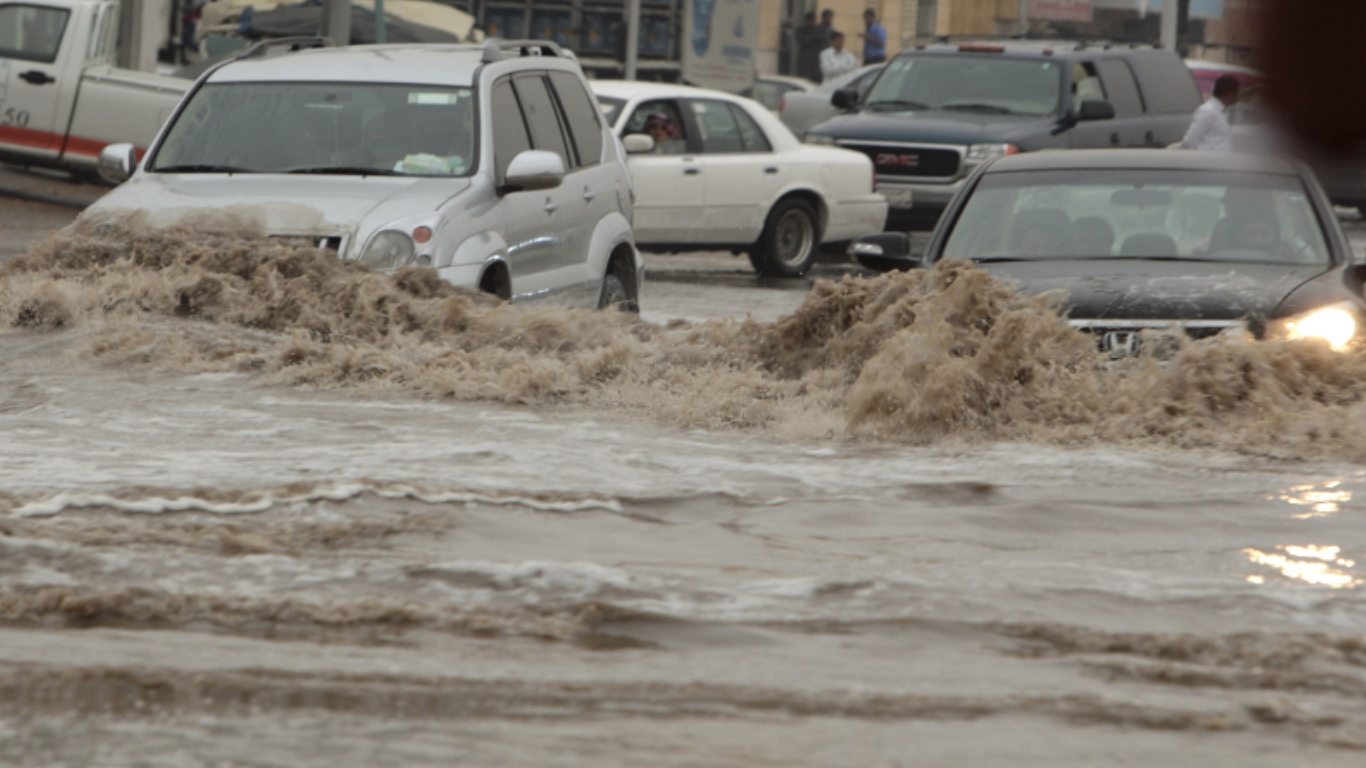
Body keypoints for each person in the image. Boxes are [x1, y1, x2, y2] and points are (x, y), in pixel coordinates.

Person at [1179, 75, 1240, 151]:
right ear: (1230, 93)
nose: (1238, 96)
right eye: (1237, 92)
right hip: (1211, 161)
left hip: (1222, 161)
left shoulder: (1222, 111)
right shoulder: (1208, 111)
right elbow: (1189, 142)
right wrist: (1206, 158)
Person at [794, 12, 826, 83]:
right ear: (806, 21)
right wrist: (812, 39)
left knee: (816, 79)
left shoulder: (820, 30)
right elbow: (802, 41)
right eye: (810, 20)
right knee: (804, 79)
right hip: (804, 59)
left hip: (816, 59)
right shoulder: (800, 30)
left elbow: (822, 40)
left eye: (813, 20)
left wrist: (809, 38)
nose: (812, 22)